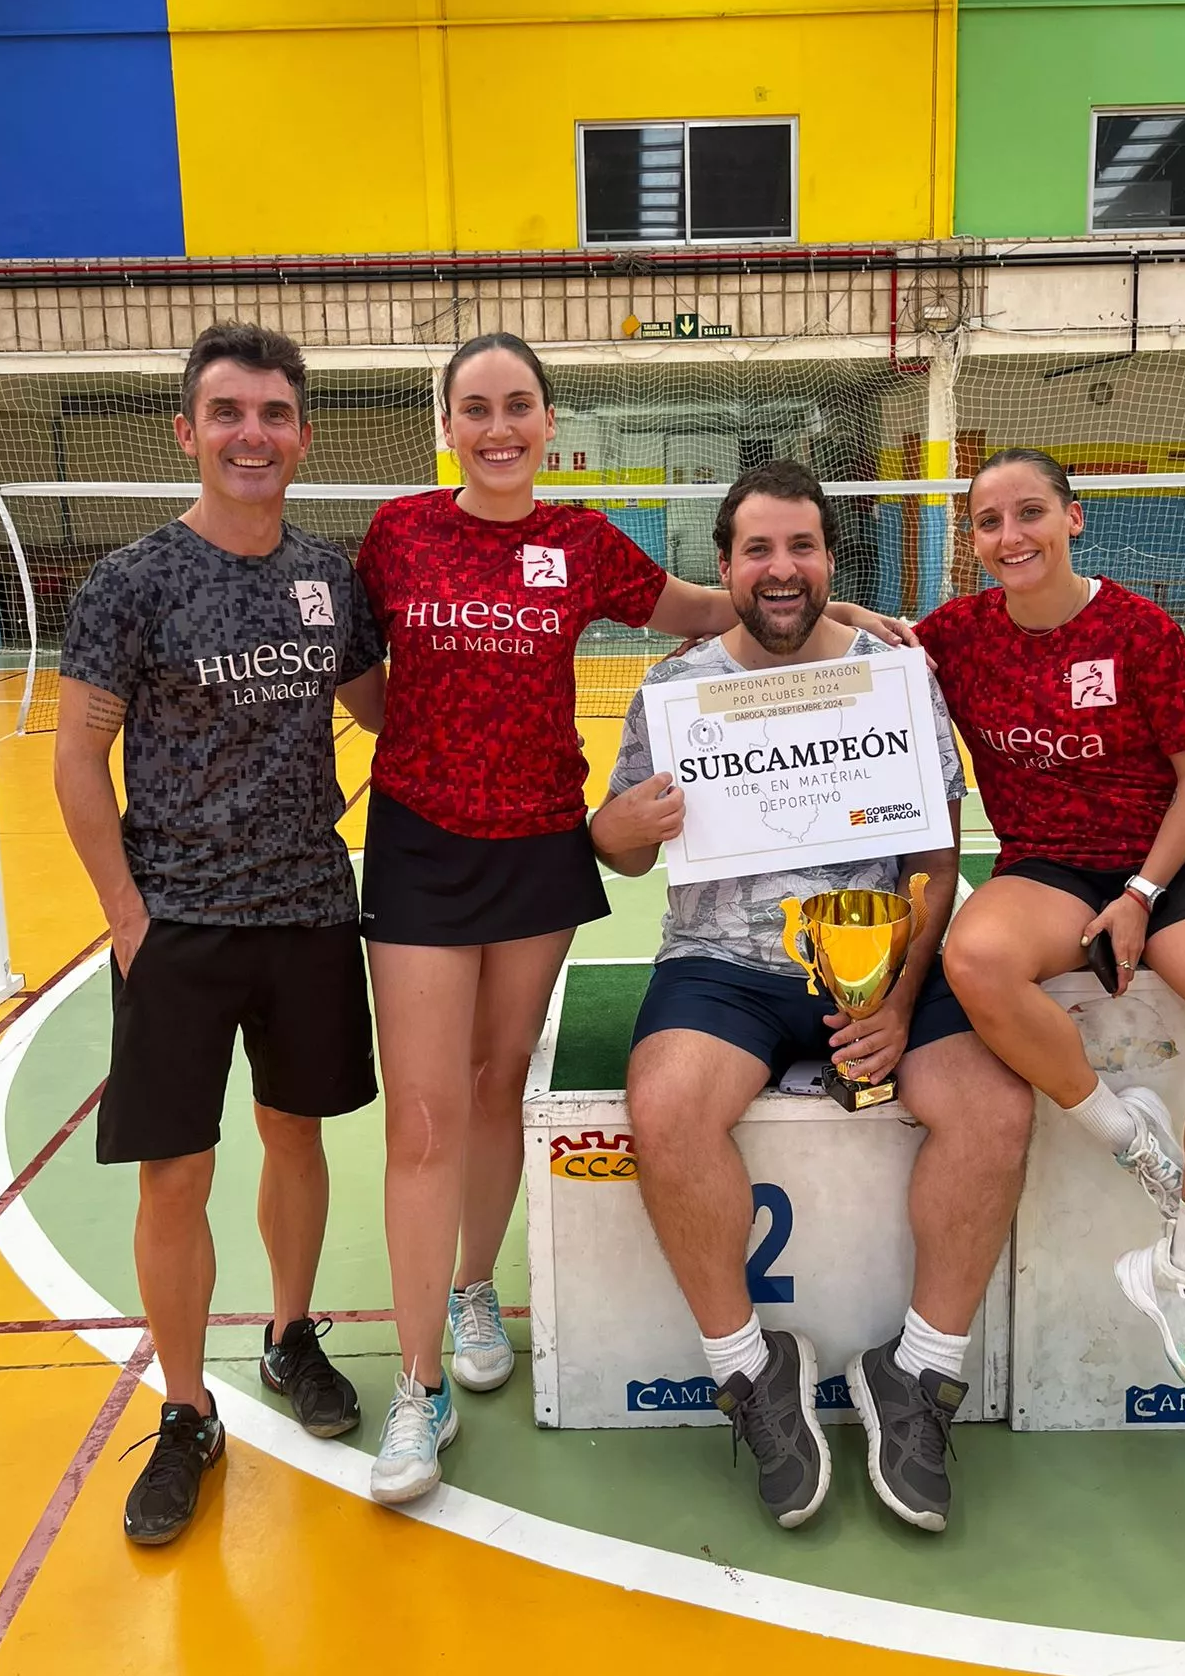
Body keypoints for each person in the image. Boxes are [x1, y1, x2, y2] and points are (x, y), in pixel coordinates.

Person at [353, 337, 913, 1506]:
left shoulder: (584, 540)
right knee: (422, 1113)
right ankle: (419, 1388)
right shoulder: (398, 531)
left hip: (538, 840)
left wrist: (836, 603)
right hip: (419, 842)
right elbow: (359, 668)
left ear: (548, 422)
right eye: (475, 408)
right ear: (446, 423)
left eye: (518, 406)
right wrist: (415, 739)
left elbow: (713, 603)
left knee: (499, 1074)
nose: (497, 426)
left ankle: (471, 1286)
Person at [591, 460, 1033, 1534]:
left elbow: (937, 843)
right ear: (726, 564)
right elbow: (615, 846)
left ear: (832, 560)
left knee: (995, 1106)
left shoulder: (895, 672)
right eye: (758, 549)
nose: (780, 569)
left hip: (878, 953)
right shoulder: (674, 687)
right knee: (666, 1107)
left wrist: (900, 994)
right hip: (722, 965)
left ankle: (917, 1371)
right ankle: (751, 1370)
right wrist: (628, 827)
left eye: (801, 548)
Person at [55, 323, 387, 1546]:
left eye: (276, 413)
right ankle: (188, 1408)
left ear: (302, 434)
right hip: (179, 922)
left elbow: (379, 710)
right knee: (175, 1169)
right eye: (229, 412)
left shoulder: (329, 576)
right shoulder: (131, 580)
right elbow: (77, 756)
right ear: (188, 432)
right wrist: (129, 918)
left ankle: (292, 1334)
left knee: (296, 1137)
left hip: (307, 908)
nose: (255, 433)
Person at [919, 447, 1185, 1417]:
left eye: (1029, 513)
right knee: (974, 956)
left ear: (1073, 517)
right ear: (972, 540)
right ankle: (1129, 1135)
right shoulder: (958, 636)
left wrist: (1141, 891)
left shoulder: (1140, 629)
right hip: (1048, 862)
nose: (1010, 537)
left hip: (1170, 862)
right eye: (988, 522)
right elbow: (862, 639)